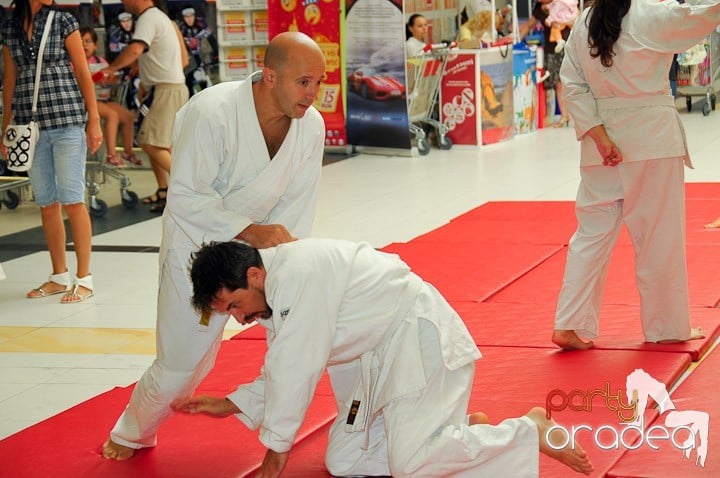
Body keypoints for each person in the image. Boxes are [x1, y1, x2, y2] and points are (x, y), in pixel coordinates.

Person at [173, 239, 593, 477]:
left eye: (234, 305)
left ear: (253, 275)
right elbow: (285, 362)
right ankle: (459, 432)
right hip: (378, 359)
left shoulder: (299, 275)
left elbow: (294, 367)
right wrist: (231, 404)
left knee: (411, 466)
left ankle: (526, 430)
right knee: (344, 460)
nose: (240, 318)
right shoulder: (280, 289)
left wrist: (275, 455)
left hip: (417, 341)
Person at [101, 31, 327, 461]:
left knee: (304, 335)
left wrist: (289, 268)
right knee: (183, 366)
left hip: (259, 260)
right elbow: (186, 199)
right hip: (196, 251)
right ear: (269, 76)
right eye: (304, 82)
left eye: (320, 82)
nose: (313, 94)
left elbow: (296, 208)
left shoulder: (309, 127)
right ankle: (133, 432)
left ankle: (304, 428)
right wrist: (251, 232)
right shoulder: (213, 112)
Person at [552, 0, 720, 350]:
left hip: (601, 146)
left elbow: (571, 84)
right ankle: (666, 327)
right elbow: (702, 15)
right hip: (650, 142)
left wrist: (599, 136)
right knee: (658, 237)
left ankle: (569, 323)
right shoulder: (650, 15)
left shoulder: (585, 20)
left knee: (591, 236)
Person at [1, 0, 102, 303]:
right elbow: (9, 80)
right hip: (29, 126)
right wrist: (5, 128)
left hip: (67, 119)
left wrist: (94, 120)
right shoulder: (10, 26)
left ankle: (84, 279)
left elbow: (83, 72)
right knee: (47, 203)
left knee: (72, 200)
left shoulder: (63, 21)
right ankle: (59, 275)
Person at [101, 0, 189, 214]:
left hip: (165, 90)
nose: (122, 2)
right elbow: (183, 60)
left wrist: (110, 69)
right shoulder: (161, 19)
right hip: (165, 88)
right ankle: (165, 190)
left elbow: (134, 50)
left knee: (150, 142)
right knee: (160, 143)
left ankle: (190, 191)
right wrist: (144, 74)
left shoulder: (148, 18)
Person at [80, 27, 141, 168]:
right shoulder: (76, 62)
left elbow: (109, 75)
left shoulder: (99, 60)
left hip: (104, 97)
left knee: (127, 116)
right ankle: (111, 154)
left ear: (95, 45)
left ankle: (128, 151)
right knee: (112, 115)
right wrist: (100, 75)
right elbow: (84, 81)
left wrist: (112, 78)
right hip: (89, 101)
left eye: (88, 41)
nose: (84, 45)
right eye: (81, 41)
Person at [518, 0, 576, 127]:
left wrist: (561, 23)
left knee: (570, 83)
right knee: (557, 83)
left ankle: (576, 116)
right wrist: (515, 42)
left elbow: (577, 19)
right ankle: (564, 115)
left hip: (568, 46)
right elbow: (528, 25)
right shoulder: (540, 7)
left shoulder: (564, 2)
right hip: (551, 49)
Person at [178, 6, 218, 96]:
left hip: (199, 57)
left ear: (194, 16)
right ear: (183, 18)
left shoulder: (200, 24)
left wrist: (216, 54)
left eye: (191, 16)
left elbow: (211, 39)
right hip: (186, 59)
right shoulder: (180, 28)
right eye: (186, 17)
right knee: (188, 83)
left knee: (203, 81)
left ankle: (205, 97)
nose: (189, 19)